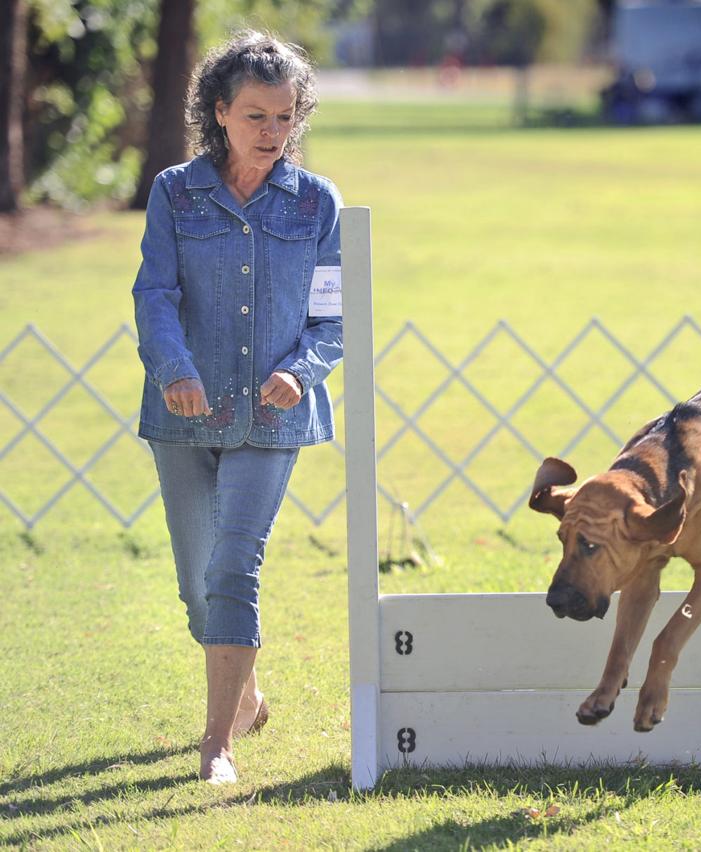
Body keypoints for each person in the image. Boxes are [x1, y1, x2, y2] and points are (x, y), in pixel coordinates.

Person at [132, 31, 343, 784]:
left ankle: (216, 743)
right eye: (256, 115)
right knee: (196, 584)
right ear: (219, 112)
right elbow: (154, 293)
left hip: (272, 416)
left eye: (285, 117)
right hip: (183, 413)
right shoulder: (173, 192)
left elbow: (333, 319)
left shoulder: (319, 204)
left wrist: (304, 371)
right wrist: (172, 368)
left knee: (233, 568)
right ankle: (246, 692)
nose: (272, 132)